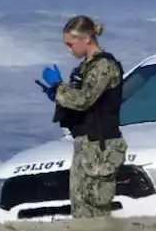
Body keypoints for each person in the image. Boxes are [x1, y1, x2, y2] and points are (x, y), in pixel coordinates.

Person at [36, 15, 127, 219]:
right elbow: (79, 101)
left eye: (71, 44)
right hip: (86, 143)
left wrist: (59, 89)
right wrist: (58, 94)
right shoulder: (86, 68)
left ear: (86, 39)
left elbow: (86, 99)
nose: (69, 50)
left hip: (101, 144)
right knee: (80, 205)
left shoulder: (103, 66)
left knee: (95, 206)